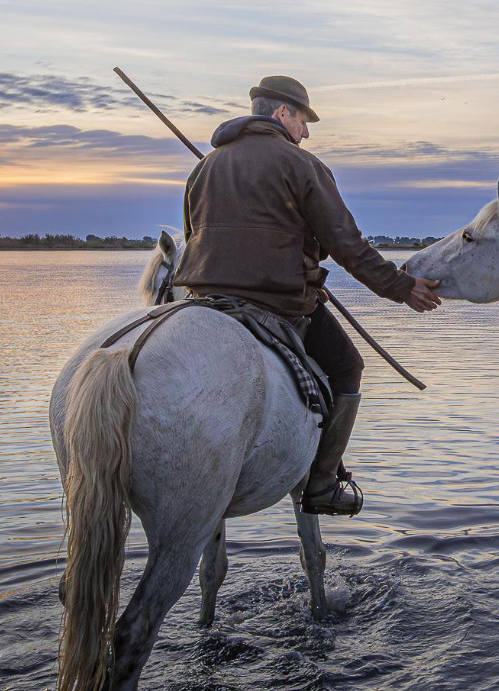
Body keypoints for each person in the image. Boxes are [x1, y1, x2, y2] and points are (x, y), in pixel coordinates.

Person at [170, 75, 442, 515]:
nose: (306, 132)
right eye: (302, 120)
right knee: (348, 365)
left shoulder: (204, 168)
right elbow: (347, 244)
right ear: (281, 113)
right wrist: (401, 287)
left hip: (203, 299)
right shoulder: (303, 165)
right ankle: (321, 485)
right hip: (278, 303)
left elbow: (191, 236)